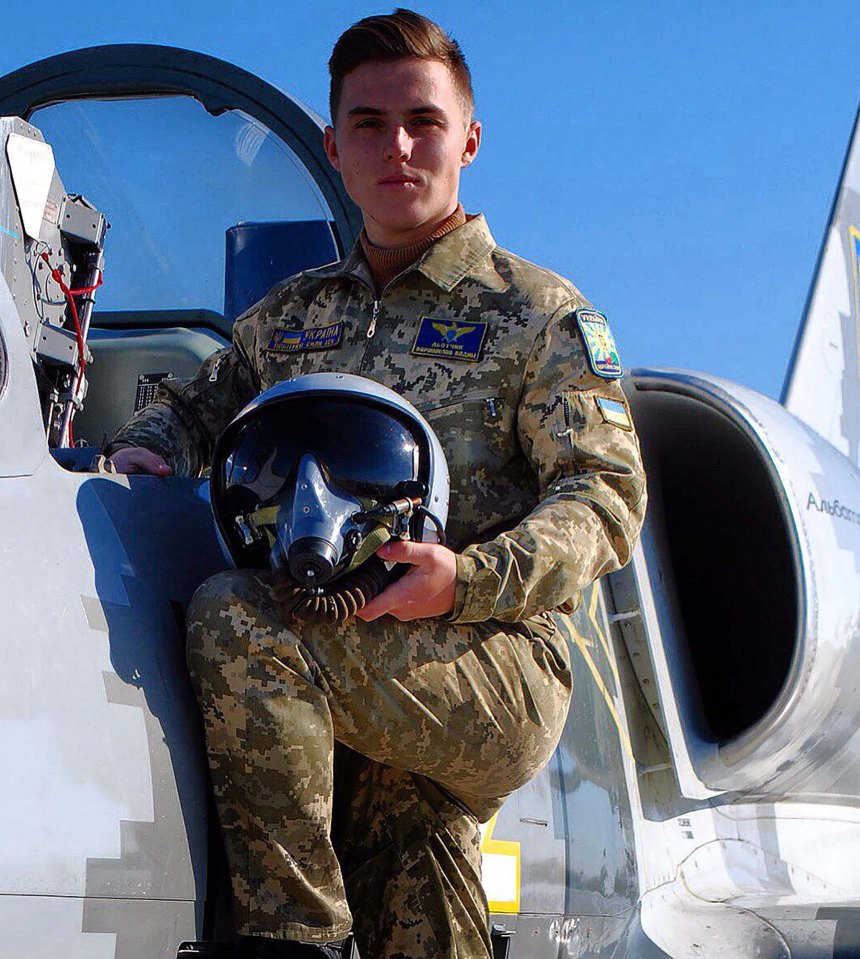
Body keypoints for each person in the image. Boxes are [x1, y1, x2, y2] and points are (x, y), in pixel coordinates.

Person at [103, 8, 646, 958]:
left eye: (423, 122)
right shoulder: (289, 317)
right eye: (368, 123)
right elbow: (194, 411)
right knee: (405, 834)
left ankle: (292, 939)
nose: (397, 146)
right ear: (333, 145)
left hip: (490, 654)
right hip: (342, 630)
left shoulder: (539, 316)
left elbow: (603, 501)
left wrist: (463, 579)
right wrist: (147, 448)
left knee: (239, 617)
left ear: (466, 141)